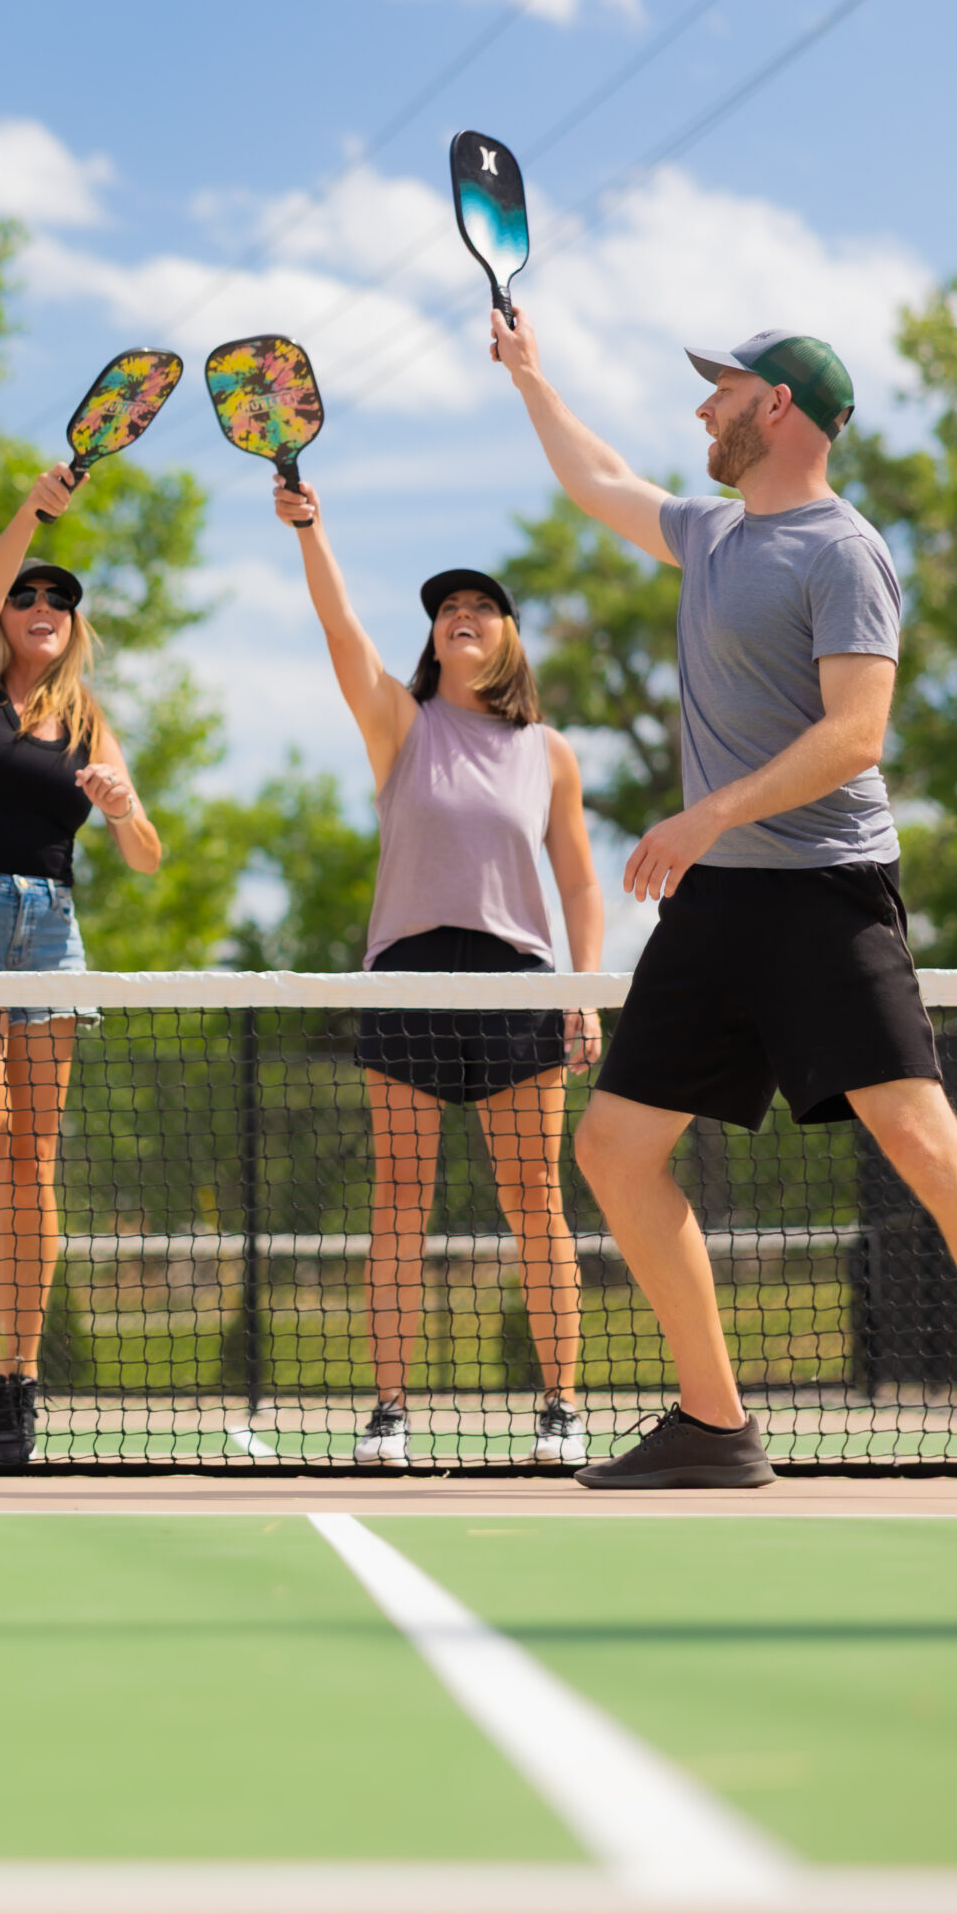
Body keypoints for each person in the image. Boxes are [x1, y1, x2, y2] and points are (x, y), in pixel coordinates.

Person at [494, 309, 957, 1488]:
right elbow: (598, 478)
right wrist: (529, 376)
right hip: (716, 907)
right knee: (613, 1149)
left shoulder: (842, 550)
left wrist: (709, 812)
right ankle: (715, 1426)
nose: (702, 405)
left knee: (921, 1140)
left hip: (824, 895)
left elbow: (858, 734)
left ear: (779, 408)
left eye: (724, 388)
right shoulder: (711, 534)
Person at [273, 473, 605, 1468]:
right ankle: (389, 1412)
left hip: (520, 985)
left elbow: (583, 889)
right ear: (432, 642)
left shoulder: (548, 751)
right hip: (407, 977)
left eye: (480, 608)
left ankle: (559, 1406)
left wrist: (585, 994)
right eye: (446, 611)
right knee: (398, 1200)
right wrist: (310, 527)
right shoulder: (403, 726)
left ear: (507, 637)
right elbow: (342, 636)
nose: (460, 616)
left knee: (533, 1198)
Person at [0, 466, 162, 1466]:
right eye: (28, 593)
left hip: (51, 928)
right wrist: (31, 512)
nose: (43, 604)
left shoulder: (89, 714)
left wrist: (122, 805)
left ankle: (17, 1379)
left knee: (33, 1159)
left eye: (60, 597)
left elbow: (144, 853)